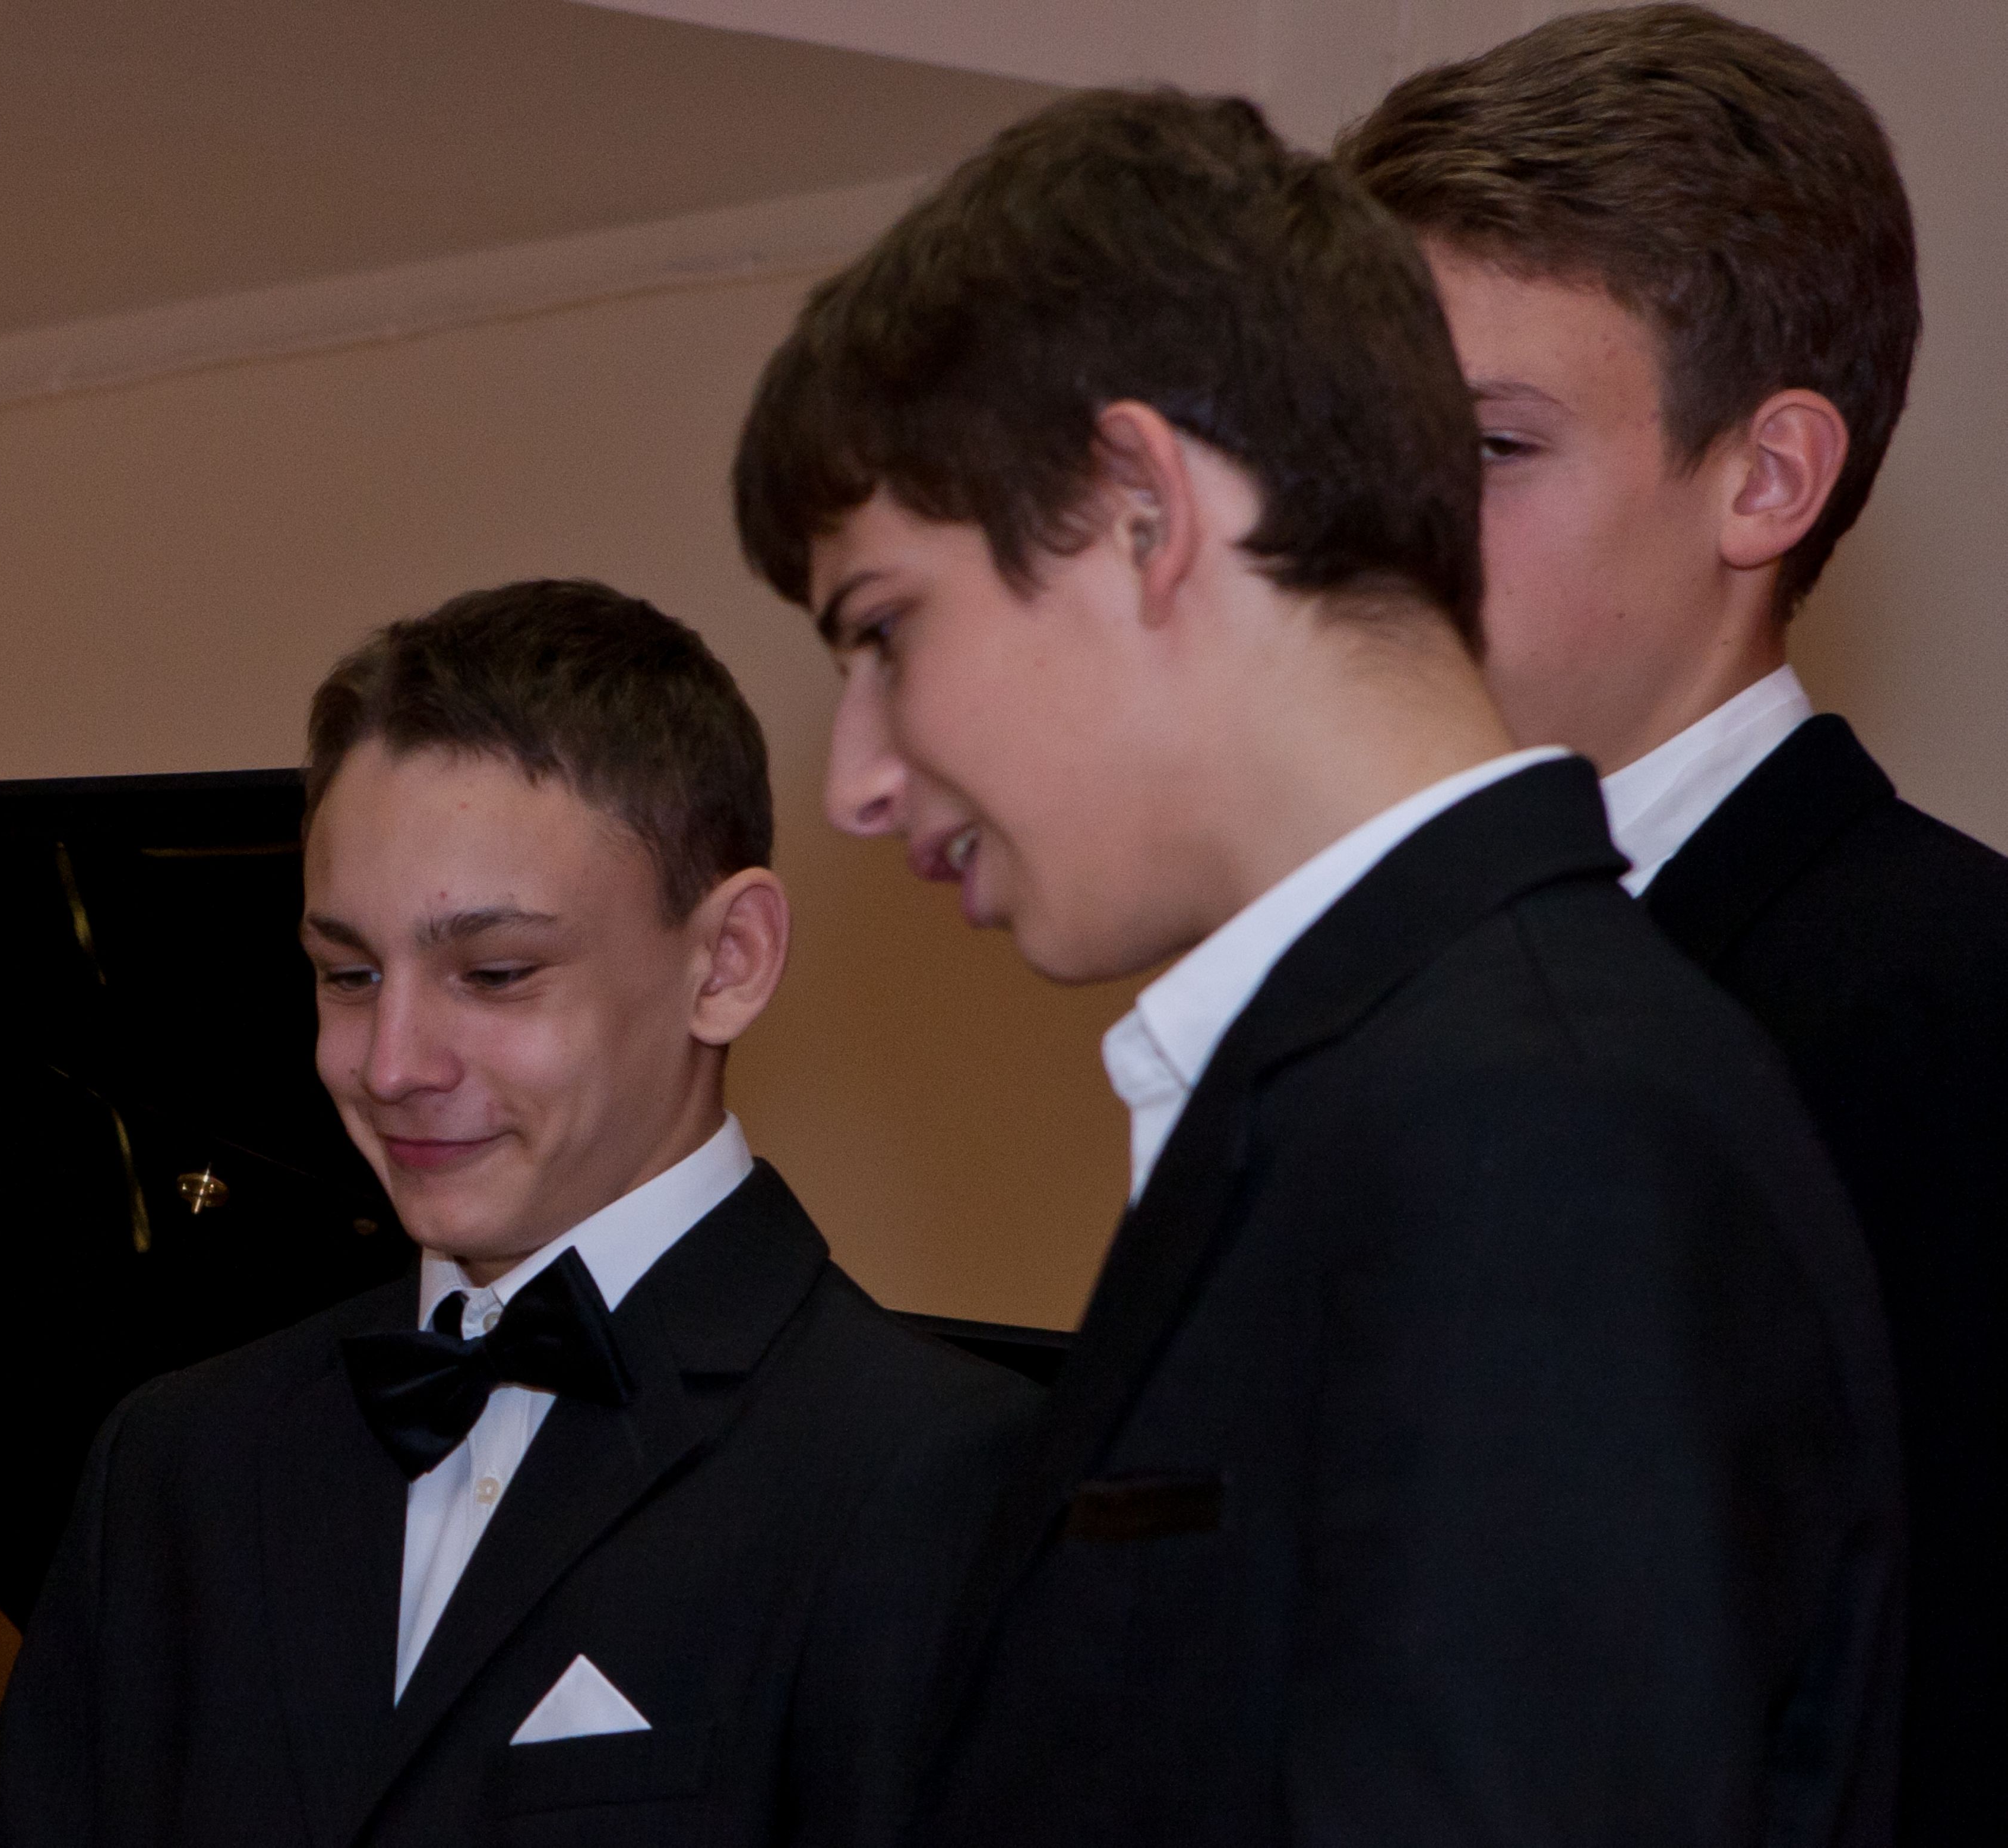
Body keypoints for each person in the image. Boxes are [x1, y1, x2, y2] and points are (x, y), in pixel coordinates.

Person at [733, 90, 1899, 1843]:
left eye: (888, 629)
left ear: (1143, 508)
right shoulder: (1383, 1081)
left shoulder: (1535, 1129)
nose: (856, 778)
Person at [0, 579, 1038, 1847]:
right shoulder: (176, 1465)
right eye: (348, 973)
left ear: (729, 959)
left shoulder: (937, 1476)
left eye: (495, 972)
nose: (391, 1062)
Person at [1342, 13, 2005, 1836]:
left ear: (1764, 478)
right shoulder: (1354, 994)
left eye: (1490, 443)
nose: (1386, 524)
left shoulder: (1951, 1013)